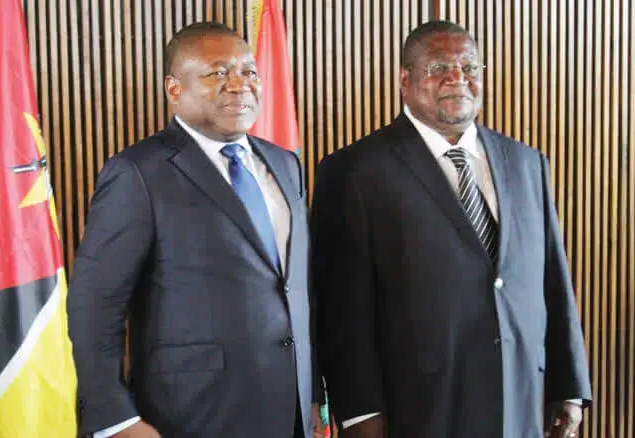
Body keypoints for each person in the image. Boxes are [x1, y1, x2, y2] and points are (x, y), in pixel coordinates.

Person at [310, 20, 591, 438]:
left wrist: (570, 385)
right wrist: (359, 410)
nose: (457, 78)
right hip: (419, 408)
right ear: (405, 81)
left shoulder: (527, 163)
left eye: (469, 67)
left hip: (521, 399)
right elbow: (341, 305)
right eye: (438, 67)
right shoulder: (354, 171)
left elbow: (553, 279)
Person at [67, 22, 323, 438]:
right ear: (174, 89)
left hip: (289, 410)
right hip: (190, 414)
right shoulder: (138, 172)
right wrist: (115, 418)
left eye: (248, 71)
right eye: (217, 72)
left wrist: (310, 388)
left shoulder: (285, 163)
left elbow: (296, 286)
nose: (239, 84)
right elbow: (95, 305)